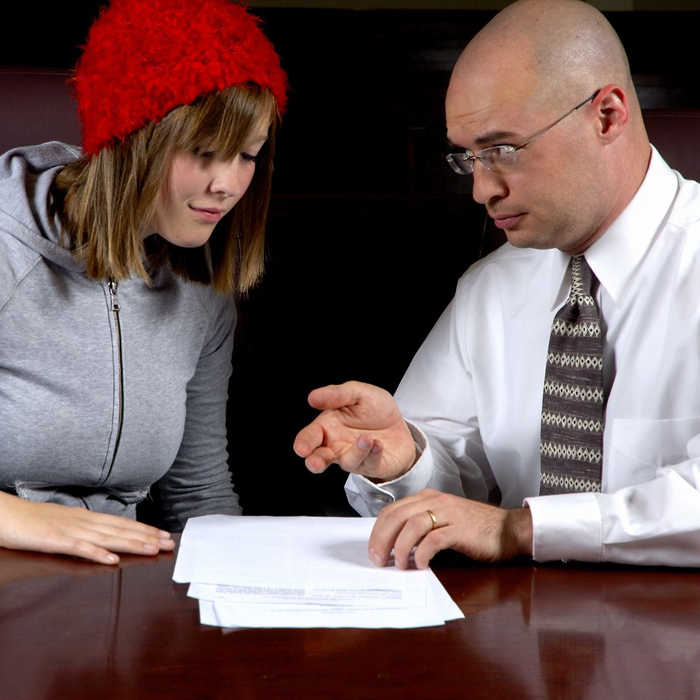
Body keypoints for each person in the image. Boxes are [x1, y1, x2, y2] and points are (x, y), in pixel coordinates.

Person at [294, 0, 700, 570]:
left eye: (502, 150)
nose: (481, 191)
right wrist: (406, 460)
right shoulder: (490, 287)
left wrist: (521, 528)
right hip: (512, 639)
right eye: (469, 158)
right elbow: (456, 492)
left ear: (607, 115)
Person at [0, 0, 287, 565]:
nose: (229, 184)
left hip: (117, 600)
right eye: (203, 153)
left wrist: (256, 587)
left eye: (248, 156)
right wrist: (16, 516)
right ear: (129, 139)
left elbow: (198, 492)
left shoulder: (201, 292)